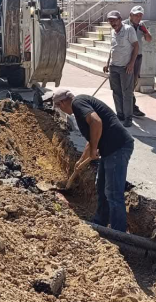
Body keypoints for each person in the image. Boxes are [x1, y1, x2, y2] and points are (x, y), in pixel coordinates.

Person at [52, 89, 134, 232]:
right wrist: (81, 160)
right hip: (109, 150)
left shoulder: (78, 103)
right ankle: (100, 223)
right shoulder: (80, 106)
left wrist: (95, 148)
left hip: (117, 148)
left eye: (59, 107)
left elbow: (96, 122)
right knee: (101, 187)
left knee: (114, 193)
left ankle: (118, 233)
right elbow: (91, 138)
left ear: (63, 102)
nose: (61, 110)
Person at [103, 10, 139, 127]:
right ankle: (120, 114)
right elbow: (112, 48)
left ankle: (128, 117)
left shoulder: (129, 29)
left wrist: (132, 63)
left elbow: (136, 46)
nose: (113, 23)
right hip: (114, 67)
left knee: (127, 93)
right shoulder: (112, 32)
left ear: (120, 19)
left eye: (114, 20)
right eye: (110, 21)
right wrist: (107, 63)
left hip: (125, 67)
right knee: (116, 92)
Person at [124, 6, 152, 117]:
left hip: (137, 58)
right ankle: (129, 107)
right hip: (126, 58)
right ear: (131, 15)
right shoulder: (124, 25)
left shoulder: (141, 25)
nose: (138, 17)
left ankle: (130, 107)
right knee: (126, 83)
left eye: (140, 15)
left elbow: (149, 39)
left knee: (133, 83)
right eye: (136, 15)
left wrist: (145, 31)